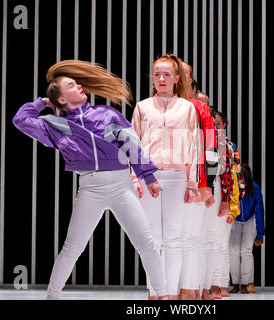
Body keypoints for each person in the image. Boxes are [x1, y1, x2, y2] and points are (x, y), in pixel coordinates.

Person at [12, 60, 168, 300]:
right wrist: (43, 102)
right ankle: (52, 296)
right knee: (72, 247)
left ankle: (164, 296)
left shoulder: (106, 114)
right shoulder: (55, 125)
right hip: (89, 189)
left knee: (146, 243)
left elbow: (132, 144)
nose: (80, 86)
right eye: (72, 85)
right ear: (61, 99)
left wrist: (148, 176)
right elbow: (20, 120)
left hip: (121, 185)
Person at [131, 53, 199, 300]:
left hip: (178, 176)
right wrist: (135, 177)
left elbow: (195, 147)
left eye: (167, 74)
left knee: (173, 238)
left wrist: (192, 182)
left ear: (177, 78)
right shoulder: (142, 107)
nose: (161, 78)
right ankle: (154, 292)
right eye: (157, 74)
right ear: (152, 77)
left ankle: (169, 293)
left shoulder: (188, 108)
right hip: (149, 176)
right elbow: (133, 144)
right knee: (152, 240)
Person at [178, 61, 217, 300]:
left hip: (195, 179)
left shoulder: (200, 109)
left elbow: (211, 147)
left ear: (190, 80)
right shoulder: (154, 106)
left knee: (191, 237)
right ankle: (165, 290)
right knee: (164, 239)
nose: (179, 78)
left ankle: (190, 290)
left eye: (184, 74)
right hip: (162, 180)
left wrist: (209, 184)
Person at [207, 111, 236, 298]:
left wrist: (232, 204)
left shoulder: (228, 145)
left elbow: (235, 177)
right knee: (207, 242)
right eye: (213, 123)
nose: (216, 126)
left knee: (220, 243)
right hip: (208, 191)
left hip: (222, 193)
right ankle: (209, 285)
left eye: (219, 123)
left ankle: (220, 284)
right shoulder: (205, 140)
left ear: (224, 125)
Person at [229, 163, 265, 294]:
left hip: (250, 220)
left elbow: (259, 211)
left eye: (241, 177)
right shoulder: (231, 187)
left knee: (246, 251)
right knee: (233, 252)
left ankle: (245, 283)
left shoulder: (254, 189)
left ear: (247, 178)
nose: (239, 180)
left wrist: (260, 234)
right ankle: (236, 283)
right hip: (235, 220)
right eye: (237, 177)